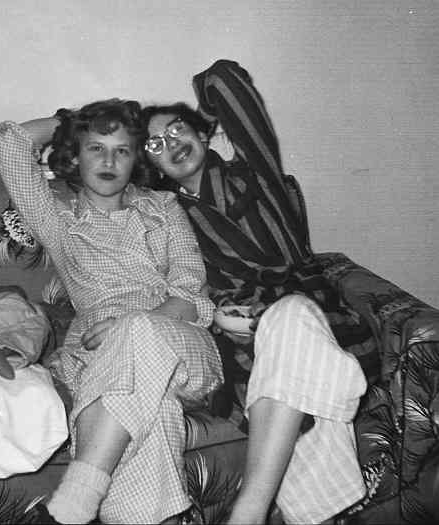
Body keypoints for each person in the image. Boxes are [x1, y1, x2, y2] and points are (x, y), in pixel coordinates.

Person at [136, 60, 372, 524]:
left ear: (203, 134)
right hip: (247, 346)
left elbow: (226, 80)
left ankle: (249, 510)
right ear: (154, 167)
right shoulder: (171, 218)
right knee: (297, 389)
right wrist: (221, 316)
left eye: (178, 128)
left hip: (319, 318)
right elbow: (185, 288)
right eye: (155, 144)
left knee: (292, 315)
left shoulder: (255, 176)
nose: (172, 143)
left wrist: (205, 104)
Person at [0, 99, 223, 525]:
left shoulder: (163, 207)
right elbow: (10, 143)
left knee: (139, 332)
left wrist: (130, 325)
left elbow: (190, 294)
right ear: (75, 155)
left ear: (136, 159)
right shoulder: (58, 219)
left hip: (182, 344)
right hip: (98, 357)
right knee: (155, 410)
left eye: (122, 150)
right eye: (96, 148)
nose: (109, 161)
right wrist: (70, 122)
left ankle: (71, 505)